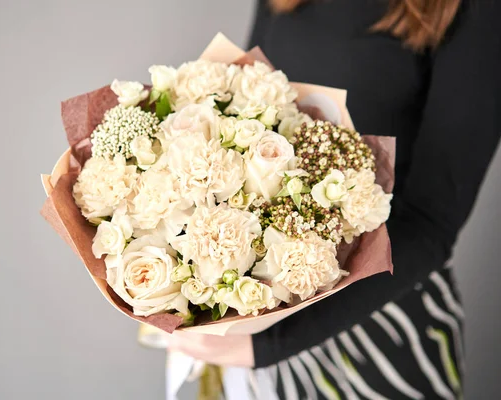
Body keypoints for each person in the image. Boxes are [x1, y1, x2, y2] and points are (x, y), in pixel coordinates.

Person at [169, 0, 501, 398]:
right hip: (256, 317)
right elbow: (245, 103)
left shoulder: (476, 9)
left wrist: (271, 342)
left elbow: (432, 219)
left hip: (380, 334)